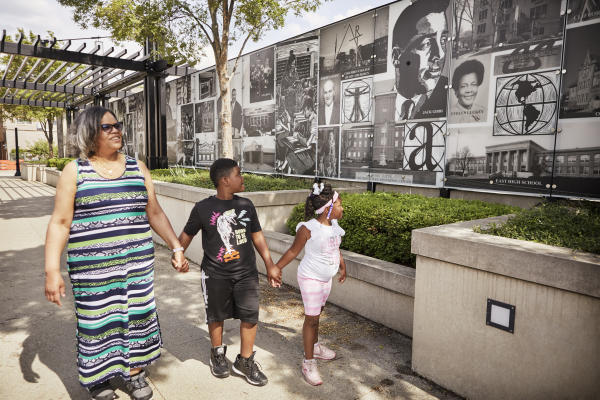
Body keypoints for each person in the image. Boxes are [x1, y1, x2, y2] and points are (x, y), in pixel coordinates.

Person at [44, 106, 189, 400]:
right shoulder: (75, 171)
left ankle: (134, 373)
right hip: (92, 269)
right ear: (89, 133)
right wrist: (51, 270)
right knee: (98, 321)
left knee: (136, 315)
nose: (116, 131)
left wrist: (176, 246)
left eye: (117, 125)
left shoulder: (138, 167)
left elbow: (155, 212)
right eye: (107, 127)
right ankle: (99, 378)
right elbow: (60, 222)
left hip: (136, 265)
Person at [175, 158, 282, 386]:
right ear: (225, 180)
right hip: (215, 274)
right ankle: (217, 352)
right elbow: (186, 235)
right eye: (238, 174)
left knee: (250, 315)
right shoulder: (203, 208)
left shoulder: (246, 205)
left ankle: (245, 360)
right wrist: (178, 254)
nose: (242, 178)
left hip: (246, 273)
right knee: (216, 315)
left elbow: (257, 236)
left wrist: (270, 264)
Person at [274, 182, 346, 386]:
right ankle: (308, 362)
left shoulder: (334, 226)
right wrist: (276, 268)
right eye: (339, 204)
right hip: (310, 278)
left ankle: (314, 346)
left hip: (325, 279)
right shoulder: (309, 228)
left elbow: (335, 248)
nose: (342, 208)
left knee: (318, 314)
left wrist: (342, 265)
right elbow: (292, 252)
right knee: (312, 319)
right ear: (328, 209)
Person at [391, 0, 449, 121]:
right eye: (426, 43)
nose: (440, 55)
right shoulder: (383, 102)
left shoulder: (449, 97)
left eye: (443, 41)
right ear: (396, 56)